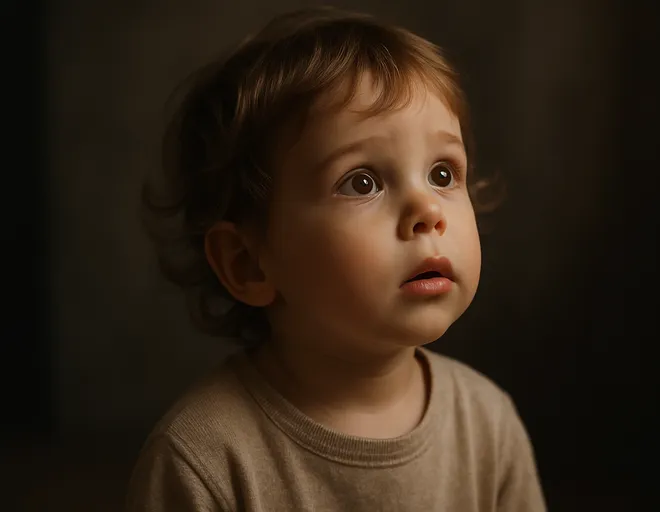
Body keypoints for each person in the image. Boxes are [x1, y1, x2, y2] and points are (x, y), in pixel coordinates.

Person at [127, 7, 546, 511]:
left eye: (441, 173)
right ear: (248, 263)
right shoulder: (205, 459)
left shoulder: (488, 426)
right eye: (362, 181)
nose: (427, 210)